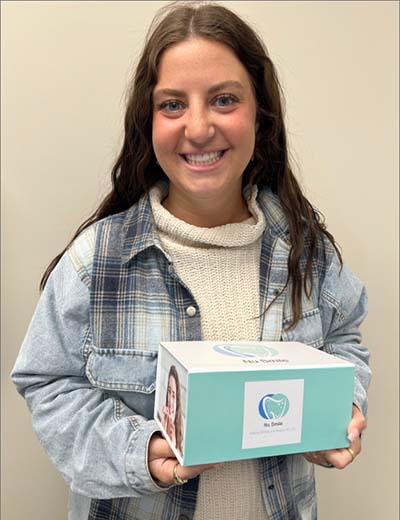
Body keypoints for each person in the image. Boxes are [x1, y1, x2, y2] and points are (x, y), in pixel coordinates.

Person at [10, 2, 372, 519]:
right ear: (148, 121)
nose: (198, 128)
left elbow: (345, 340)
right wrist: (138, 450)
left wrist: (342, 409)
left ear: (260, 114)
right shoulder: (96, 263)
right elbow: (46, 383)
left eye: (224, 100)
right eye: (173, 105)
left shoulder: (308, 257)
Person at [160, 365, 184, 456]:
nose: (170, 400)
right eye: (169, 392)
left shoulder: (180, 428)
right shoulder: (160, 418)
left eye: (173, 396)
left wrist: (174, 445)